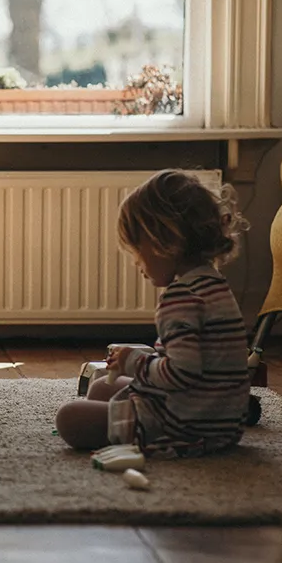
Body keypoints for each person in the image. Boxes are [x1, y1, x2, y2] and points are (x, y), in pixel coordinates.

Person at [55, 169, 250, 457]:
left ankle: (132, 428)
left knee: (69, 417)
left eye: (137, 249)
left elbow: (181, 375)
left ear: (165, 242)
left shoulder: (180, 298)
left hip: (184, 424)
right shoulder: (213, 283)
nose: (136, 262)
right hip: (221, 420)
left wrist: (134, 361)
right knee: (99, 388)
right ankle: (122, 416)